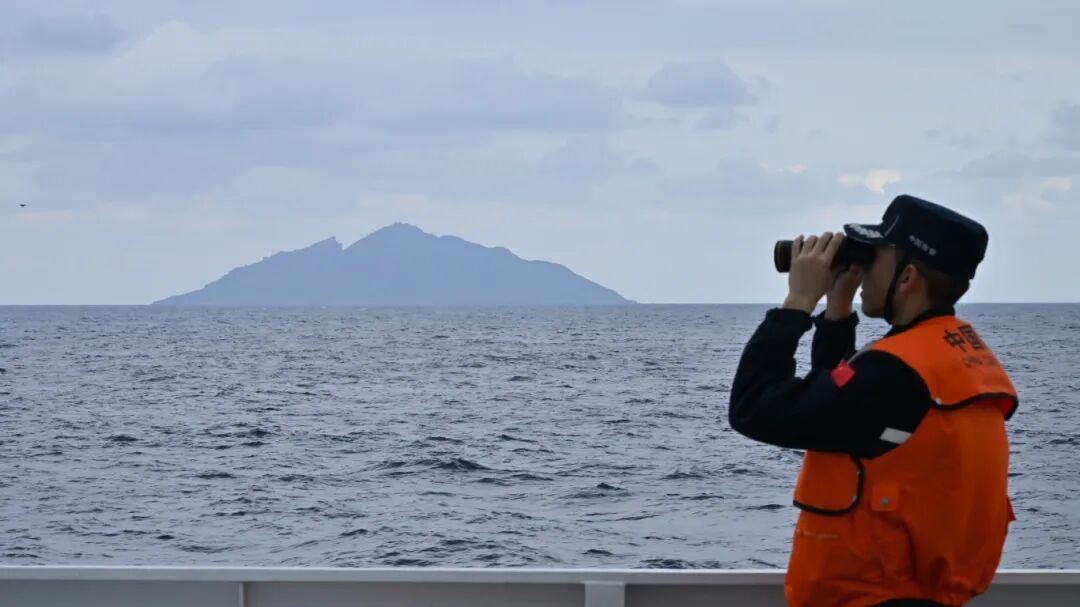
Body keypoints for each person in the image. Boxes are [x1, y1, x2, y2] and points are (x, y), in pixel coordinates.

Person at [728, 195, 1018, 606]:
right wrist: (838, 310)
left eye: (874, 256)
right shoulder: (942, 358)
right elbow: (838, 410)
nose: (861, 268)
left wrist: (797, 304)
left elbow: (752, 407)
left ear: (907, 277)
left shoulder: (894, 376)